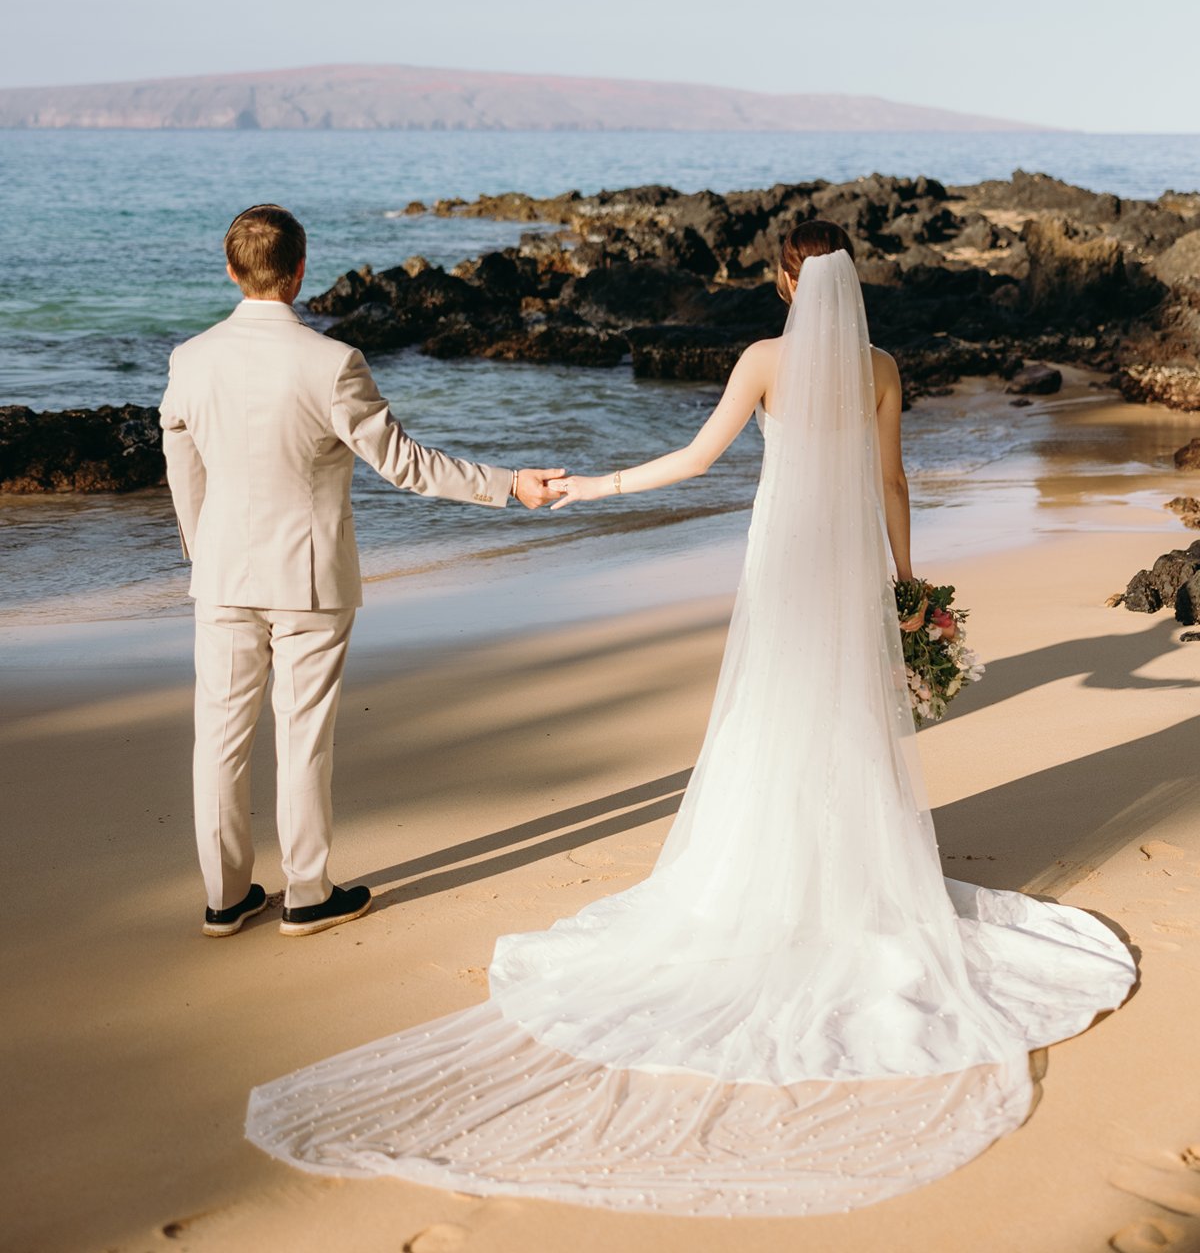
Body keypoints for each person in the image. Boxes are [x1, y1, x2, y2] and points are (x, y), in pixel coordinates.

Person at [245, 223, 1134, 1214]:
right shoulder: (882, 367)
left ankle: (777, 875)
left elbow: (699, 459)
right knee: (842, 721)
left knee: (774, 715)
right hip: (849, 566)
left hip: (783, 562)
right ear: (849, 280)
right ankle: (849, 877)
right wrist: (908, 578)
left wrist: (598, 485)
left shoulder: (763, 360)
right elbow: (891, 482)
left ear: (787, 281)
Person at [160, 203, 562, 941]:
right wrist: (508, 483)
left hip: (220, 577)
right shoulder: (332, 362)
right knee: (302, 737)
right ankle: (307, 895)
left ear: (231, 270)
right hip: (309, 579)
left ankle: (224, 899)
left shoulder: (190, 359)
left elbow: (180, 457)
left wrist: (201, 546)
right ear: (300, 271)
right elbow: (405, 465)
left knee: (218, 738)